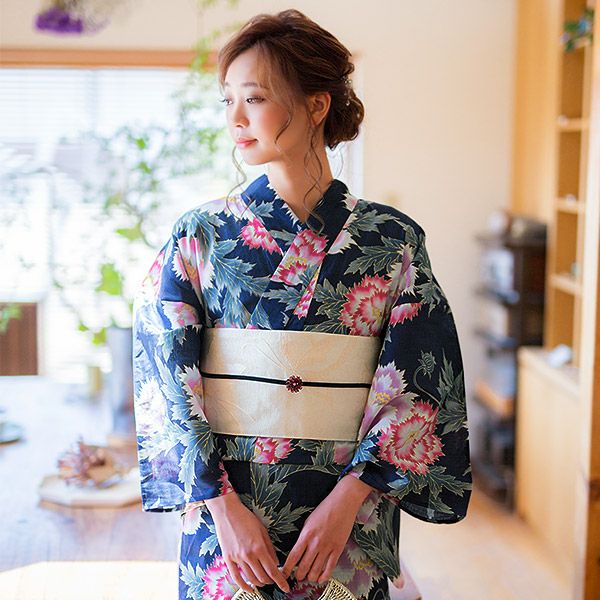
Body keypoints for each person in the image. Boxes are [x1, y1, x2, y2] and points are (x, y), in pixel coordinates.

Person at [132, 8, 472, 600]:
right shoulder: (201, 235)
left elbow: (419, 380)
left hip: (348, 518)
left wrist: (350, 499)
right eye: (228, 100)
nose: (236, 118)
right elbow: (167, 375)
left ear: (317, 105)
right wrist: (221, 507)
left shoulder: (391, 239)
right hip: (227, 522)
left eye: (255, 97)